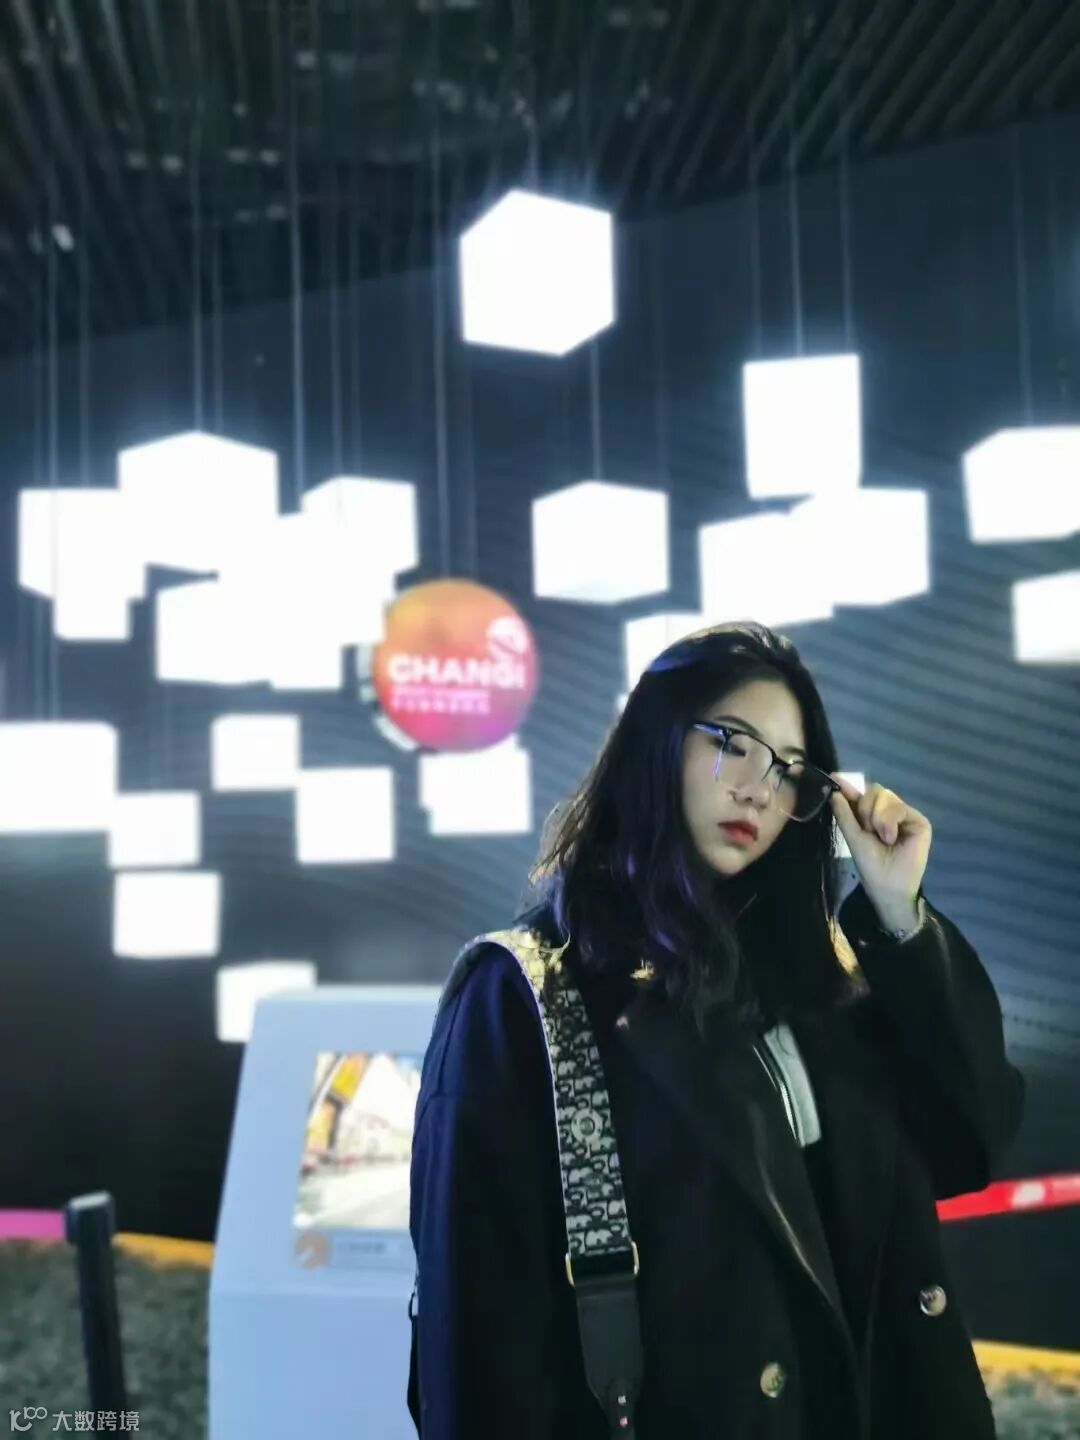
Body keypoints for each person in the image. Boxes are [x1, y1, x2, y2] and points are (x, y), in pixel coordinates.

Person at [407, 620, 1025, 1439]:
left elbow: (967, 1145)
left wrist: (898, 914)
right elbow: (482, 1357)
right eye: (733, 744)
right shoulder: (524, 995)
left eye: (790, 770)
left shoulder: (821, 978)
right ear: (656, 743)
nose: (759, 790)